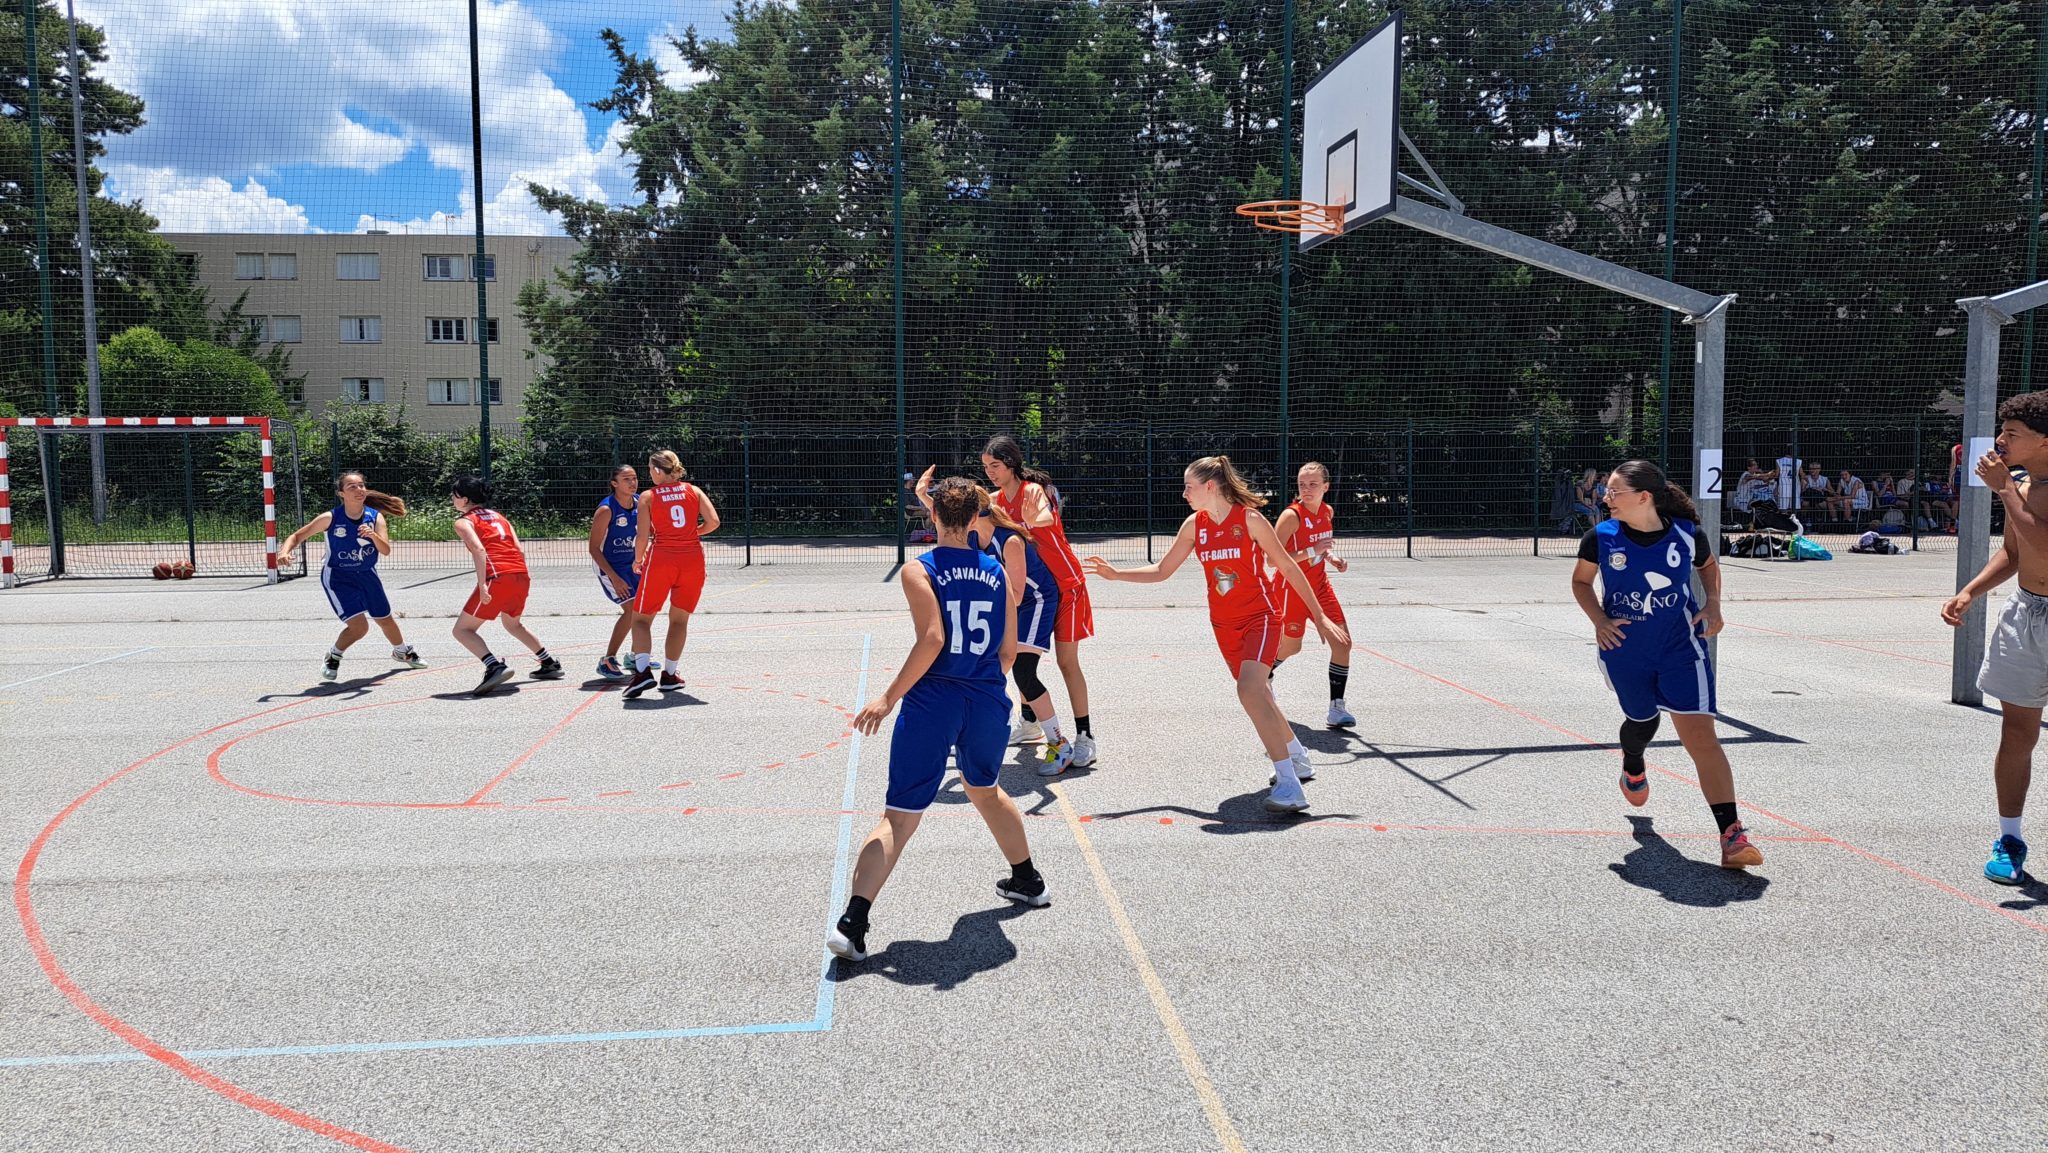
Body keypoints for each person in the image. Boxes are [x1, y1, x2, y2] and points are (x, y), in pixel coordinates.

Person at [828, 477, 1049, 963]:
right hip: (986, 698)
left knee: (900, 815)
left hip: (934, 700)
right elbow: (1008, 652)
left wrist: (888, 698)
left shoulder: (920, 569)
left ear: (932, 516)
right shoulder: (996, 571)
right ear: (974, 519)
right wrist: (979, 683)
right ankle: (1029, 880)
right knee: (985, 789)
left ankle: (853, 924)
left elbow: (932, 638)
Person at [1085, 456, 1349, 813]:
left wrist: (1319, 616)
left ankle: (1290, 784)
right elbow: (1162, 570)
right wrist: (1117, 575)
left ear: (1210, 487)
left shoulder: (1250, 520)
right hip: (1224, 625)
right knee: (1261, 695)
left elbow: (1287, 566)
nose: (1184, 494)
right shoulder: (1195, 525)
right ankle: (1298, 756)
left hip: (1261, 617)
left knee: (1250, 690)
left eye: (1189, 487)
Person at [1569, 459, 1763, 870]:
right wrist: (1599, 620)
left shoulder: (1687, 535)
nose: (1605, 497)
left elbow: (1708, 566)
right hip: (1625, 650)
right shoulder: (1600, 538)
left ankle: (1732, 835)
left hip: (1681, 649)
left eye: (1614, 491)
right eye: (1606, 490)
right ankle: (1633, 763)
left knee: (1702, 737)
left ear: (1644, 497)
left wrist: (1713, 603)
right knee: (1643, 721)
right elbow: (1581, 582)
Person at [1941, 390, 2048, 885]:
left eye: (2012, 434)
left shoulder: (2014, 486)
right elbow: (2016, 550)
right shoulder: (2021, 483)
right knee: (2017, 734)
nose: (2001, 440)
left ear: (2044, 441)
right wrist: (1971, 590)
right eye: (2002, 431)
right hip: (2026, 613)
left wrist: (2005, 489)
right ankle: (2010, 839)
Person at [912, 465, 1077, 776]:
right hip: (1010, 602)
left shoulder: (1009, 540)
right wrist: (923, 495)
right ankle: (1022, 727)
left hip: (1035, 601)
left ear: (975, 516)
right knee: (993, 664)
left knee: (1023, 671)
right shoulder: (974, 534)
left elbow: (1016, 595)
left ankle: (1060, 744)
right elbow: (949, 516)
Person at [983, 435, 1098, 767]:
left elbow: (1045, 517)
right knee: (1021, 655)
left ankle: (1085, 736)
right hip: (1034, 590)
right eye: (986, 467)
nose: (990, 472)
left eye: (995, 465)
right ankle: (1031, 722)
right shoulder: (994, 500)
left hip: (1066, 585)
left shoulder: (1032, 491)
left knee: (1067, 663)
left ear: (1011, 464)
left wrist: (1033, 520)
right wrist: (927, 498)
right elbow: (966, 512)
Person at [277, 471, 426, 682]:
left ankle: (402, 652)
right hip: (338, 577)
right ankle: (333, 655)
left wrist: (373, 535)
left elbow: (385, 550)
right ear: (341, 494)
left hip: (366, 574)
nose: (359, 490)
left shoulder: (375, 517)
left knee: (385, 619)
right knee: (360, 627)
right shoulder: (330, 518)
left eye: (361, 485)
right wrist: (284, 552)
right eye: (352, 487)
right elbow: (297, 535)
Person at [449, 474, 562, 696]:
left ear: (464, 499)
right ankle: (549, 662)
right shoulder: (500, 517)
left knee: (462, 630)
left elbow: (479, 550)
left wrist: (483, 585)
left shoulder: (464, 522)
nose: (452, 499)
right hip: (520, 574)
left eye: (454, 495)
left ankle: (494, 666)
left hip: (497, 577)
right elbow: (519, 549)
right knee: (513, 624)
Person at [624, 450, 721, 699]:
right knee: (679, 620)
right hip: (692, 560)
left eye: (650, 469)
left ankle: (642, 672)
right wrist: (691, 533)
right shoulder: (694, 491)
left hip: (662, 559)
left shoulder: (648, 496)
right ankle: (669, 674)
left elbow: (642, 536)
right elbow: (713, 522)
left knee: (641, 618)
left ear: (658, 471)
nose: (649, 474)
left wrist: (637, 560)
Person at [1268, 461, 1357, 728]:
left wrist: (1331, 557)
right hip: (1291, 589)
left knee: (1343, 643)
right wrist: (1313, 551)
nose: (1306, 489)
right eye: (1302, 484)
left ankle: (1336, 708)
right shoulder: (1291, 516)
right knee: (1291, 647)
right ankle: (1262, 676)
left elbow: (1319, 545)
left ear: (1325, 487)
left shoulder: (1327, 511)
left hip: (1319, 586)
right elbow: (1272, 559)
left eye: (1313, 484)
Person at [587, 463, 641, 680]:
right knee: (631, 610)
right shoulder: (606, 510)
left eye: (634, 478)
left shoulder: (640, 503)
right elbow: (593, 548)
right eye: (626, 479)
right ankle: (607, 659)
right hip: (610, 567)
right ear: (614, 483)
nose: (632, 482)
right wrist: (615, 578)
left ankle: (636, 656)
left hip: (632, 564)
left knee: (645, 609)